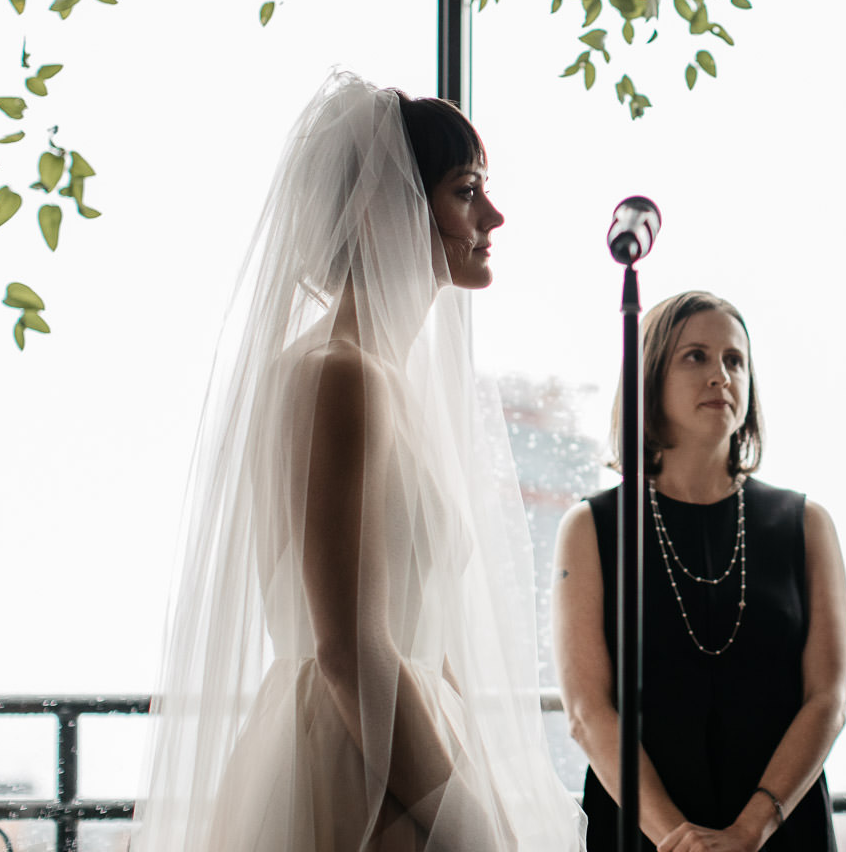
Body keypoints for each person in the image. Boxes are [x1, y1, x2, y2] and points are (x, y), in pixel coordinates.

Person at [132, 71, 583, 852]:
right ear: (389, 211)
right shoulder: (337, 376)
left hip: (408, 738)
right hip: (361, 764)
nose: (494, 215)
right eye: (466, 190)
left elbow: (420, 628)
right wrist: (461, 824)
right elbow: (347, 647)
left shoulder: (389, 382)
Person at [554, 291, 846, 852]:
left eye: (734, 360)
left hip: (781, 830)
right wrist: (677, 839)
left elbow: (827, 699)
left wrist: (748, 832)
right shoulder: (591, 528)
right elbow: (588, 712)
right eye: (695, 356)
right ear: (650, 377)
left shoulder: (806, 523)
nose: (721, 375)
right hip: (643, 833)